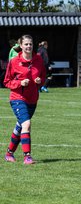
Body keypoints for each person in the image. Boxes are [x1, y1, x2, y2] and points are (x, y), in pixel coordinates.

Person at [3, 34, 46, 165]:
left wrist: (39, 81)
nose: (28, 46)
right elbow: (6, 82)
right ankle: (27, 156)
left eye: (30, 44)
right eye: (26, 44)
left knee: (20, 126)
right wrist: (19, 84)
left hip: (32, 99)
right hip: (17, 98)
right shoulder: (14, 62)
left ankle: (9, 153)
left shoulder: (38, 60)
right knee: (26, 124)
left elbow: (43, 77)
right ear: (20, 46)